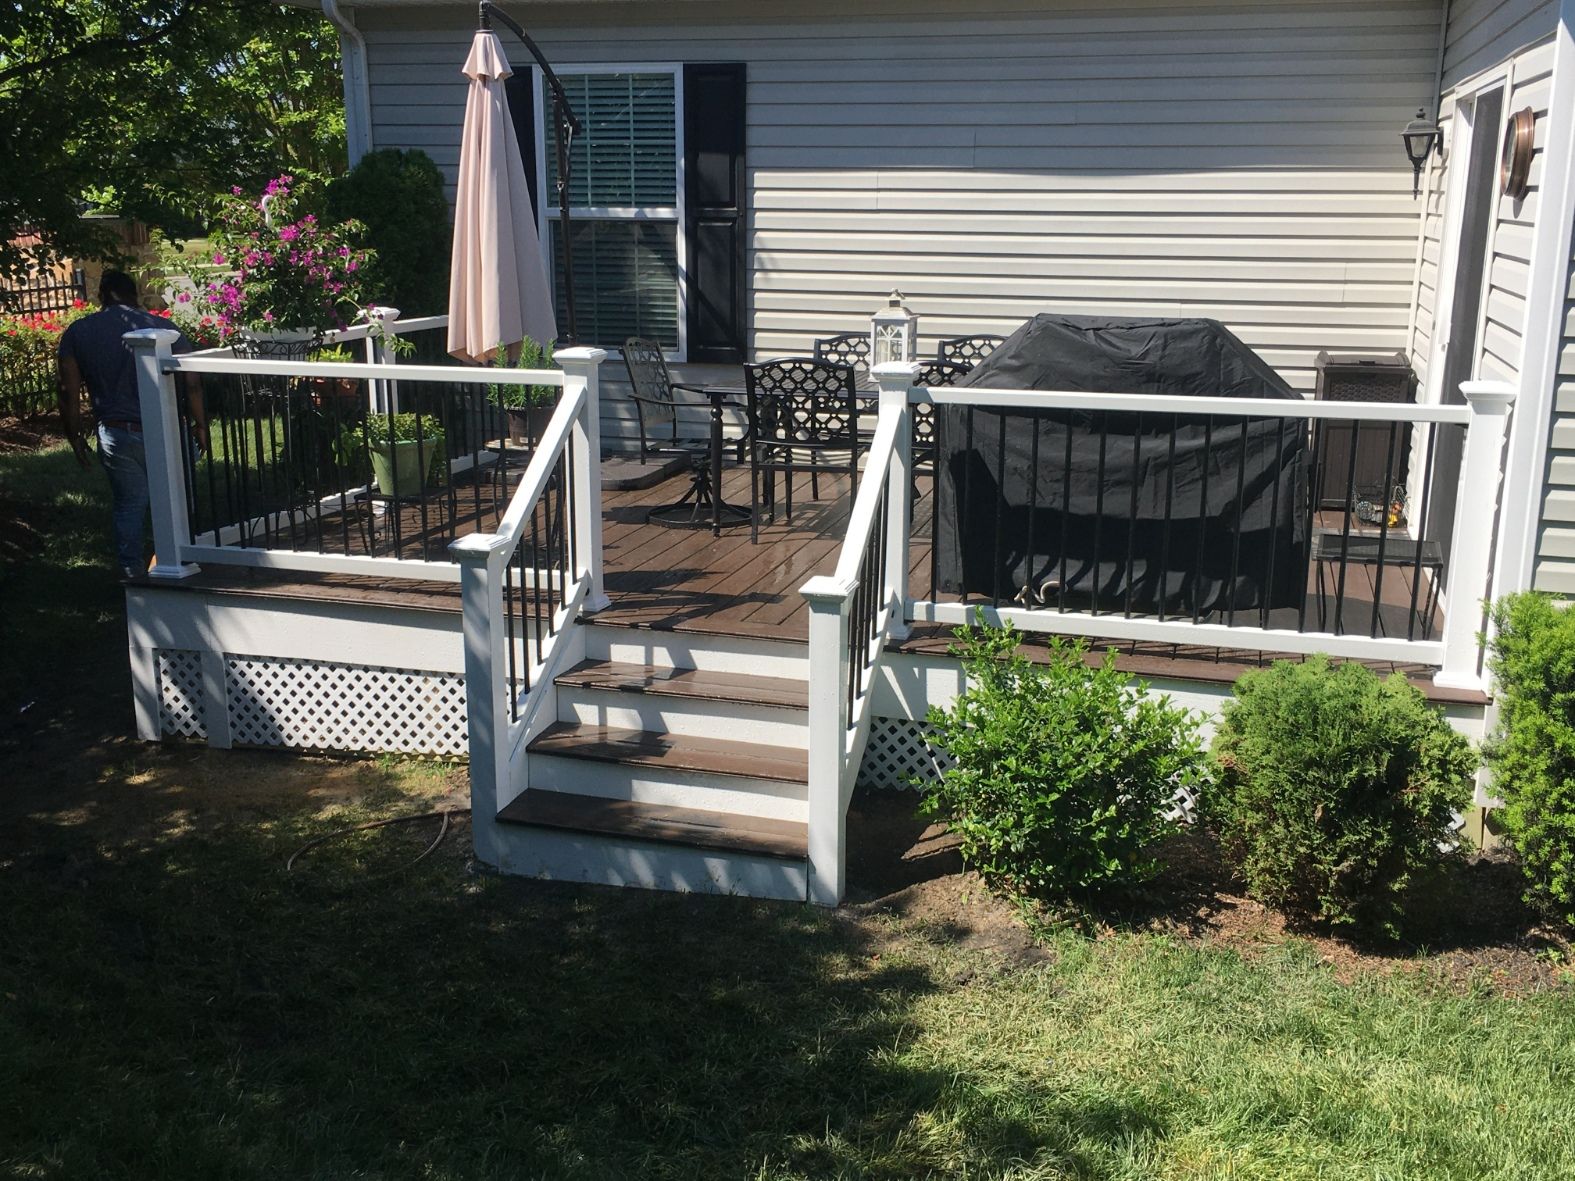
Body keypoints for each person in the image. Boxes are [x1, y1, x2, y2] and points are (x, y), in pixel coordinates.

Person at [56, 271, 209, 579]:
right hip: (167, 430)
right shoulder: (166, 328)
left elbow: (67, 389)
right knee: (177, 500)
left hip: (116, 431)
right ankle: (177, 561)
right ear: (136, 294)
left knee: (129, 504)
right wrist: (201, 425)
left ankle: (133, 573)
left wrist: (73, 435)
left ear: (102, 295)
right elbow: (192, 383)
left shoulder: (79, 332)